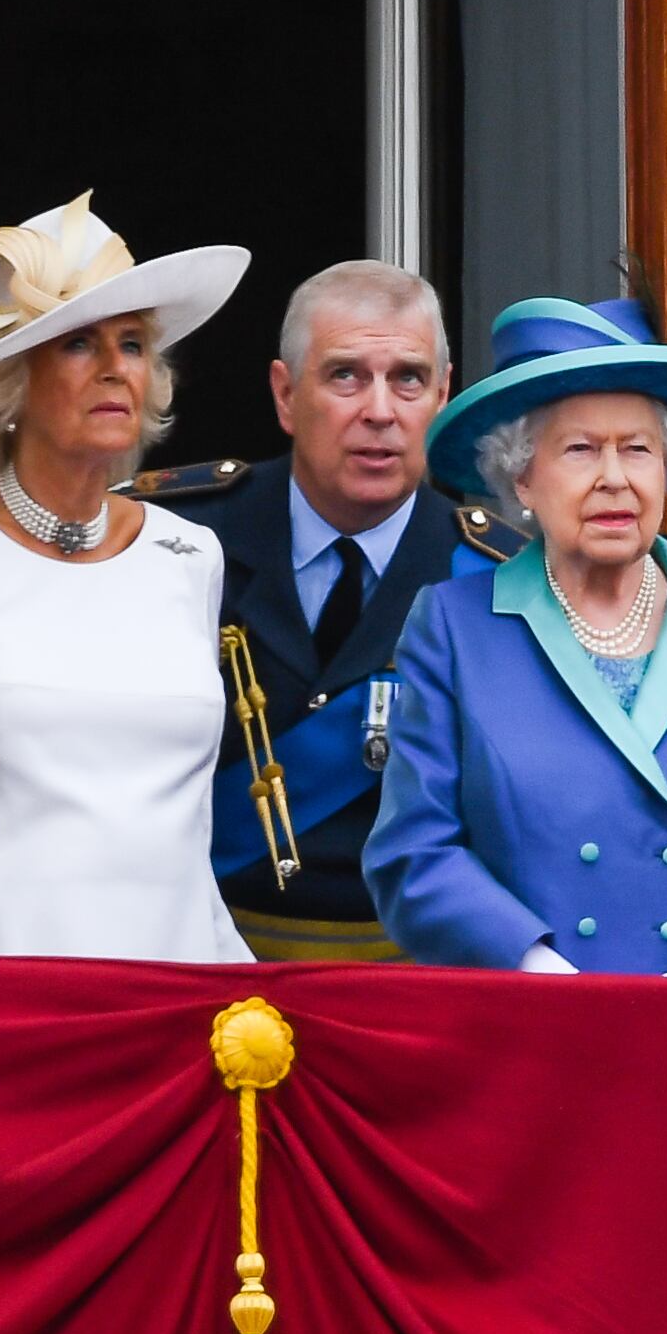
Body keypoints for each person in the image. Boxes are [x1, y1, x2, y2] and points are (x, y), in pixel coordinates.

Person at [364, 295, 667, 974]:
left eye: (638, 450)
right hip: (529, 1031)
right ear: (523, 477)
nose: (615, 479)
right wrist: (538, 970)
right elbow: (414, 851)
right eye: (581, 450)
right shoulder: (454, 630)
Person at [0, 193, 255, 960]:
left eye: (134, 344)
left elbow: (181, 834)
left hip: (163, 1002)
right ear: (9, 383)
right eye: (78, 344)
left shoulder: (191, 556)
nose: (115, 369)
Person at [139, 262, 524, 962]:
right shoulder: (175, 539)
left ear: (442, 395)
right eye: (346, 375)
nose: (380, 410)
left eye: (408, 378)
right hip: (195, 957)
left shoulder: (502, 580)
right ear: (286, 397)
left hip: (414, 975)